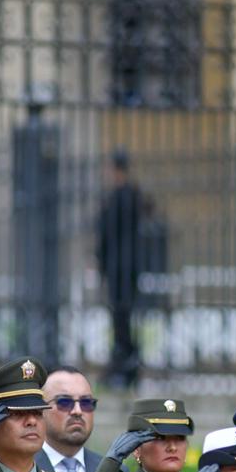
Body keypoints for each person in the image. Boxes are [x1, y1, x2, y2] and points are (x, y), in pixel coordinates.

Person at [96, 150, 144, 388]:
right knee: (122, 317)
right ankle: (126, 362)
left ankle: (125, 364)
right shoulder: (132, 196)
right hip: (127, 266)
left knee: (121, 317)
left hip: (120, 267)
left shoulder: (121, 197)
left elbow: (107, 234)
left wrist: (101, 263)